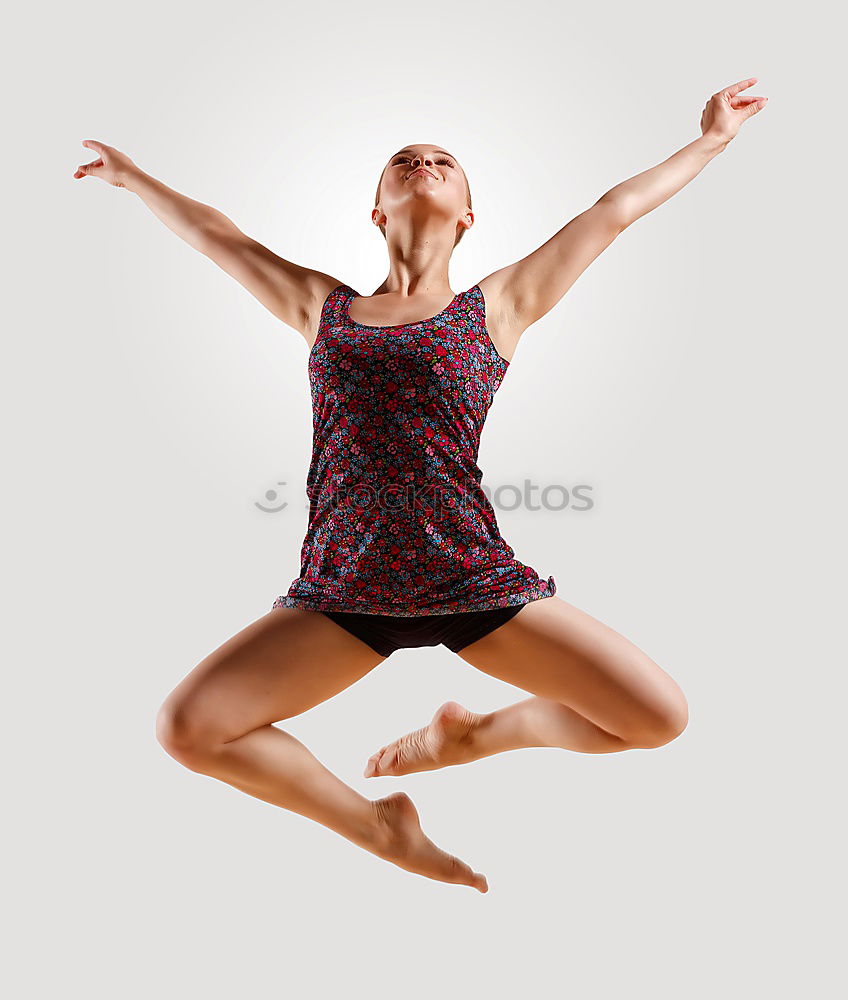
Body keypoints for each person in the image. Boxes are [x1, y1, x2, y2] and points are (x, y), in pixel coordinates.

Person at [75, 78, 767, 893]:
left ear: (468, 215)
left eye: (443, 162)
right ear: (378, 209)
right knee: (188, 729)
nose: (424, 164)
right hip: (344, 588)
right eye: (405, 161)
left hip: (469, 578)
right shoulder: (321, 309)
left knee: (657, 719)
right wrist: (134, 178)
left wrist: (712, 141)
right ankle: (376, 827)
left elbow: (612, 211)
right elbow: (220, 238)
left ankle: (471, 739)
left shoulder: (496, 308)